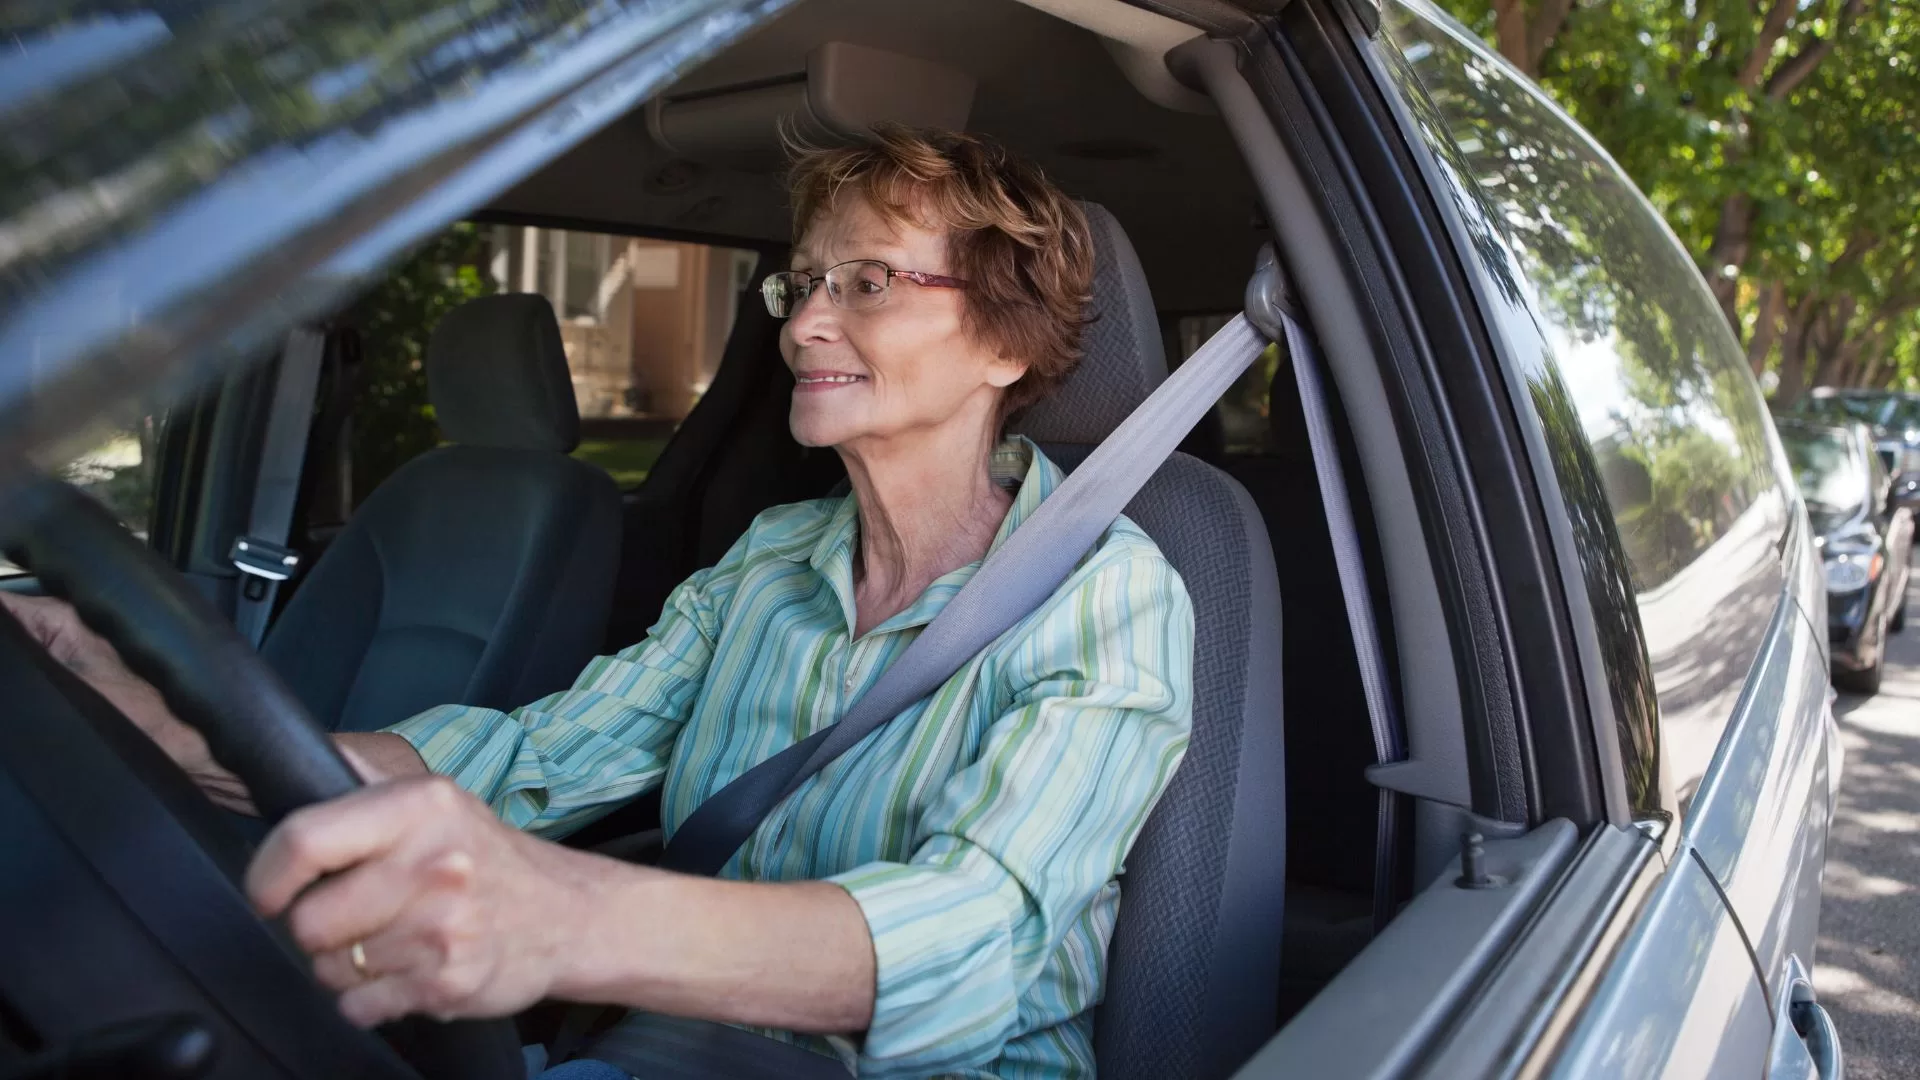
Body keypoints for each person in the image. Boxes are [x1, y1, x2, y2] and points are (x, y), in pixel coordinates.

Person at [1, 127, 1194, 1080]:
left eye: (870, 282)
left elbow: (974, 931)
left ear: (1007, 341)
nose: (808, 321)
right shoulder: (771, 561)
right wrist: (137, 716)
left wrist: (564, 919)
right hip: (681, 1049)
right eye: (805, 282)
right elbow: (525, 761)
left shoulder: (1109, 596)